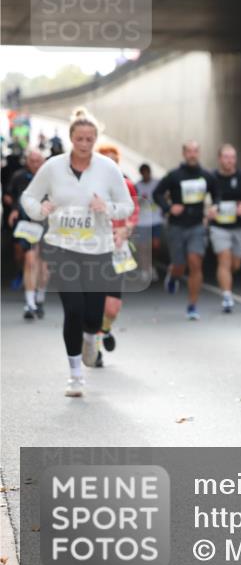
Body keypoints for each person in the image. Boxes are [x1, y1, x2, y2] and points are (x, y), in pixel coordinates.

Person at [19, 108, 133, 397]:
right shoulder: (53, 167)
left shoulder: (108, 168)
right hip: (62, 247)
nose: (84, 144)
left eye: (90, 139)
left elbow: (127, 206)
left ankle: (90, 338)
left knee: (93, 316)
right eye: (80, 138)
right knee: (73, 309)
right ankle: (75, 375)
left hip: (98, 249)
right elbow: (29, 196)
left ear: (95, 140)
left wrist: (105, 208)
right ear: (71, 138)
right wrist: (39, 209)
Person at [153, 141, 218, 320]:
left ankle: (192, 305)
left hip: (197, 226)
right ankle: (173, 275)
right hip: (176, 226)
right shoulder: (174, 175)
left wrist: (215, 207)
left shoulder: (206, 175)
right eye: (189, 151)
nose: (192, 154)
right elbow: (157, 193)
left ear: (199, 153)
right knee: (180, 266)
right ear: (184, 153)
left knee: (195, 262)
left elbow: (217, 192)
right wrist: (168, 208)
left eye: (195, 151)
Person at [93, 144, 139, 368]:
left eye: (115, 161)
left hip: (117, 249)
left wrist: (126, 229)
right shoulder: (89, 188)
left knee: (112, 308)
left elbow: (134, 212)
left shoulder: (127, 186)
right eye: (106, 160)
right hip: (93, 249)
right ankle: (96, 347)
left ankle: (106, 328)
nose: (111, 165)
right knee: (94, 301)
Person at [208, 143, 241, 313]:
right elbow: (203, 197)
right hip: (219, 227)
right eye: (226, 157)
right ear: (220, 159)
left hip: (238, 226)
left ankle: (227, 282)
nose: (230, 161)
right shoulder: (211, 177)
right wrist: (209, 209)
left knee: (235, 264)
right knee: (224, 259)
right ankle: (227, 296)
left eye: (232, 157)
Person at [7, 149, 50, 319]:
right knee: (31, 261)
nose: (35, 163)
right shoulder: (19, 176)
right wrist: (14, 210)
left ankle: (40, 297)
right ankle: (30, 304)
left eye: (38, 160)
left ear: (43, 161)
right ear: (27, 161)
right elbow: (15, 196)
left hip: (48, 225)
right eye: (32, 160)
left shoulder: (51, 177)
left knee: (44, 267)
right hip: (28, 224)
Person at [133, 163, 163, 283]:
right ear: (141, 173)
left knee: (154, 245)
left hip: (156, 220)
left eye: (147, 172)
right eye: (143, 173)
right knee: (142, 246)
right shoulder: (137, 186)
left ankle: (151, 265)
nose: (146, 175)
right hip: (142, 221)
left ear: (150, 172)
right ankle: (145, 270)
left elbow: (164, 196)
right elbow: (134, 202)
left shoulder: (157, 184)